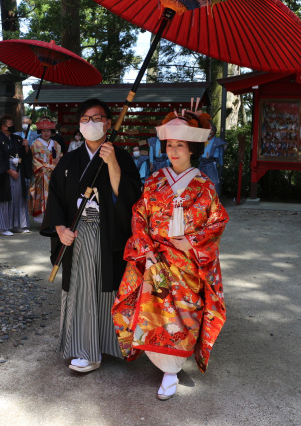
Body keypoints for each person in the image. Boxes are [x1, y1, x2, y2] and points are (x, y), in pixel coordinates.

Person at [112, 110, 229, 400]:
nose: (173, 151)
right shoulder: (154, 182)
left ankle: (172, 370)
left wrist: (192, 242)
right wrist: (147, 251)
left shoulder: (205, 186)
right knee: (154, 315)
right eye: (169, 145)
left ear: (192, 149)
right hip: (156, 259)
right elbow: (139, 216)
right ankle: (162, 363)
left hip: (187, 262)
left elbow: (218, 221)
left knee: (184, 316)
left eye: (180, 146)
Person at [47, 98, 142, 374]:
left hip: (108, 231)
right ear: (79, 125)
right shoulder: (69, 160)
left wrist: (112, 163)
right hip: (77, 234)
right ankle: (88, 349)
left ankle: (105, 346)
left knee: (105, 288)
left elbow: (128, 197)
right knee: (82, 288)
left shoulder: (120, 156)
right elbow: (55, 199)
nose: (91, 124)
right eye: (85, 119)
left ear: (109, 123)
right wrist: (60, 229)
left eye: (97, 118)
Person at [0, 114, 31, 236]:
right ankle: (3, 228)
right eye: (10, 124)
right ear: (3, 127)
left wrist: (26, 147)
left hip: (18, 171)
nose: (12, 126)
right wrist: (9, 170)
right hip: (5, 174)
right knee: (6, 199)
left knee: (19, 197)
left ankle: (17, 225)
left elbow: (25, 156)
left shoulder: (17, 139)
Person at [29, 118, 62, 223]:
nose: (46, 133)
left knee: (54, 196)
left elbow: (60, 157)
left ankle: (52, 219)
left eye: (48, 131)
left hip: (53, 173)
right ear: (40, 132)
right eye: (43, 131)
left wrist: (56, 164)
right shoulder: (35, 144)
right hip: (41, 174)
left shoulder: (56, 144)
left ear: (51, 132)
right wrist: (43, 167)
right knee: (41, 196)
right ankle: (41, 220)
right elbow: (33, 159)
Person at [198, 123, 227, 198]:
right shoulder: (202, 140)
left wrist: (220, 166)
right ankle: (201, 200)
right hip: (202, 163)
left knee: (215, 182)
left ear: (212, 132)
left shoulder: (217, 142)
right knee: (200, 181)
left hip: (211, 164)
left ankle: (215, 200)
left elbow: (220, 156)